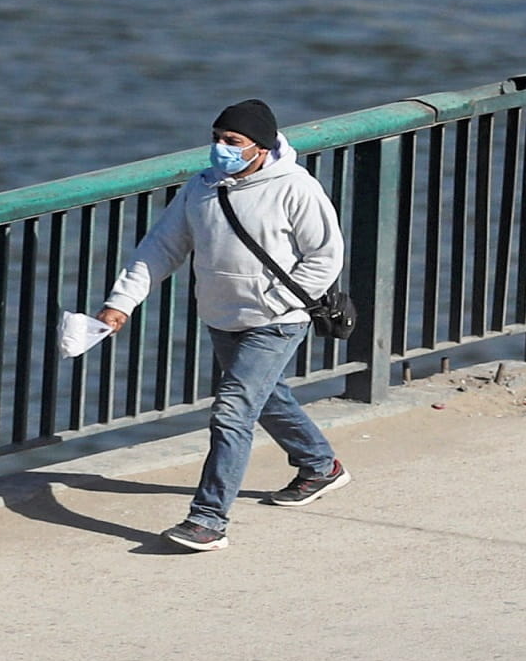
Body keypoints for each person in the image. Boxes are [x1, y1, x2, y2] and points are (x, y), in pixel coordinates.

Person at [96, 99, 350, 551]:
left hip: (277, 320)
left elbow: (325, 258)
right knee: (267, 397)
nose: (220, 149)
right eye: (216, 139)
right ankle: (320, 466)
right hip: (222, 316)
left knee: (232, 409)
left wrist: (274, 302)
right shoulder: (201, 188)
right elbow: (160, 248)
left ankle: (208, 520)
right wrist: (121, 304)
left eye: (232, 142)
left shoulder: (296, 189)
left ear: (261, 148)